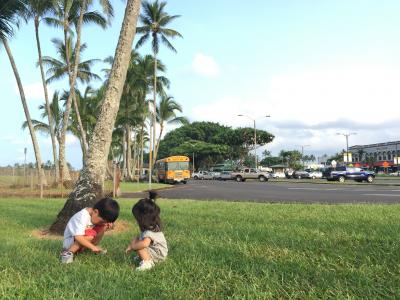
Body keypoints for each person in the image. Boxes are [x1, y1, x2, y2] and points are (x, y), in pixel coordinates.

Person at [60, 197, 120, 263]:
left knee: (99, 229)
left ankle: (86, 249)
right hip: (70, 242)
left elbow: (96, 240)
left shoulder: (95, 217)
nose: (102, 223)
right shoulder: (82, 216)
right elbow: (78, 237)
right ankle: (68, 253)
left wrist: (103, 228)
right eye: (102, 221)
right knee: (91, 234)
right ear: (95, 212)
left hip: (83, 240)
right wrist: (93, 247)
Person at [125, 191, 168, 271]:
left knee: (140, 247)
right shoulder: (152, 227)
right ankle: (144, 257)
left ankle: (148, 263)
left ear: (143, 219)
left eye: (137, 219)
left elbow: (145, 244)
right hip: (160, 252)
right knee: (138, 240)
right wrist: (135, 240)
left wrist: (132, 246)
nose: (136, 221)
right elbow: (140, 238)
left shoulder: (149, 232)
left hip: (159, 255)